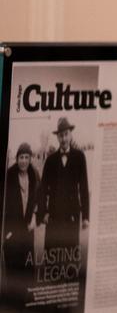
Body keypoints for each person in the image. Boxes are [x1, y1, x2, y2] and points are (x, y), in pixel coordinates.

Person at [40, 119, 89, 252]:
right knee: (52, 254)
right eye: (61, 135)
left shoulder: (80, 157)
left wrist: (85, 216)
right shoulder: (50, 160)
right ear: (57, 137)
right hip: (54, 215)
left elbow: (84, 187)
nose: (64, 139)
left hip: (72, 215)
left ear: (71, 134)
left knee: (70, 254)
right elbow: (43, 189)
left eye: (66, 134)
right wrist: (43, 212)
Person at [2, 143, 42, 292]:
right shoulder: (9, 175)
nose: (24, 161)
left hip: (28, 229)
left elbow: (39, 199)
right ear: (17, 158)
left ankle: (27, 297)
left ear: (30, 158)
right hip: (12, 230)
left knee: (27, 267)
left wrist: (35, 217)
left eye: (26, 157)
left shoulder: (34, 175)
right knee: (13, 266)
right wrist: (7, 232)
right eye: (21, 157)